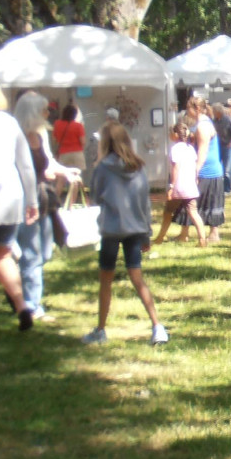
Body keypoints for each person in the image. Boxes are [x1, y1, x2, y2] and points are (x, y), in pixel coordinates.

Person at [82, 122, 168, 346]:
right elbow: (144, 203)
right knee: (137, 278)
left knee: (106, 280)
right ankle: (157, 326)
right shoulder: (138, 167)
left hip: (111, 229)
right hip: (134, 230)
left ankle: (100, 329)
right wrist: (147, 233)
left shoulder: (102, 168)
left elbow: (96, 196)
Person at [13, 90, 82, 322]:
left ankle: (16, 291)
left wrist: (65, 171)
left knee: (44, 252)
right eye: (44, 109)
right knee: (31, 255)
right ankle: (32, 305)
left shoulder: (39, 136)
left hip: (43, 200)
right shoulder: (17, 138)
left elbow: (48, 163)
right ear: (33, 112)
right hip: (24, 202)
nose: (48, 112)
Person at [0, 79, 38, 332]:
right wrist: (32, 200)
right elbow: (26, 166)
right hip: (10, 197)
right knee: (2, 254)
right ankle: (22, 305)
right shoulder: (10, 123)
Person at [152, 121, 207, 247]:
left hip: (179, 187)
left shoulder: (175, 149)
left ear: (176, 134)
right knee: (193, 212)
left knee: (167, 212)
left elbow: (175, 168)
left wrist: (172, 186)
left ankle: (160, 237)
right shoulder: (190, 148)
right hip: (190, 186)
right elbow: (194, 167)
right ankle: (202, 239)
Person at [184, 96, 225, 243]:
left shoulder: (203, 126)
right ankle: (186, 233)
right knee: (194, 202)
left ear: (197, 109)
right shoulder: (199, 123)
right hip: (207, 169)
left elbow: (203, 151)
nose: (186, 111)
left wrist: (195, 171)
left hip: (208, 170)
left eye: (188, 108)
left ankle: (213, 234)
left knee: (201, 202)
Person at [212, 101, 231, 194]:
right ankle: (218, 188)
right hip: (217, 147)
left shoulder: (228, 120)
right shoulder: (214, 121)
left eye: (214, 111)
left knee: (227, 170)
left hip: (227, 147)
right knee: (217, 168)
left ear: (218, 111)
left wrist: (230, 143)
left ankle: (227, 189)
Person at [52, 103, 86, 172]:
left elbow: (54, 140)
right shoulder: (78, 126)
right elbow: (83, 142)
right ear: (75, 115)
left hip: (63, 154)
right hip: (77, 153)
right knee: (77, 177)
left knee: (62, 178)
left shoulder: (57, 124)